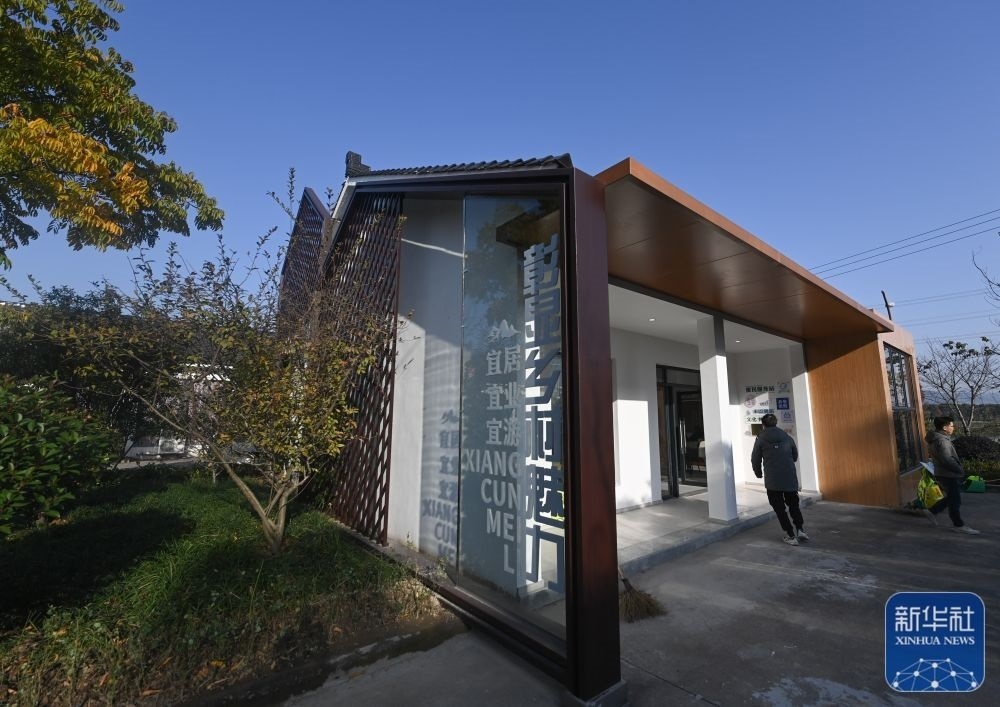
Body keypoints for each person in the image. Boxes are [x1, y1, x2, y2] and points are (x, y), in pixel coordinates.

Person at [752, 413, 808, 546]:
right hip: (789, 478)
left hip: (773, 480)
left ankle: (790, 534)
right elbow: (795, 455)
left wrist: (758, 473)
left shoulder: (760, 439)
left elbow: (755, 459)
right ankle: (800, 529)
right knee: (794, 505)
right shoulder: (786, 437)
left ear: (763, 424)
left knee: (779, 509)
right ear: (776, 423)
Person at [923, 416, 980, 535]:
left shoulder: (937, 438)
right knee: (955, 500)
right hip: (948, 474)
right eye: (952, 425)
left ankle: (932, 511)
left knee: (952, 497)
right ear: (945, 427)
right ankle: (958, 525)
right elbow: (947, 460)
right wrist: (960, 470)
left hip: (943, 473)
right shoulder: (942, 441)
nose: (953, 428)